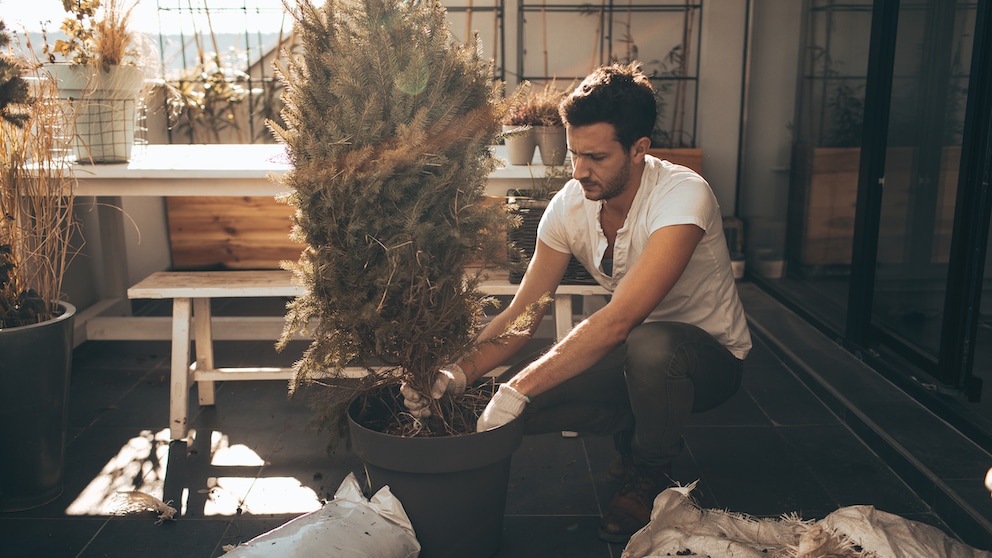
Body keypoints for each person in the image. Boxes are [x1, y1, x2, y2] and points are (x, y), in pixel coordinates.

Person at [402, 61, 752, 542]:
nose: (580, 171)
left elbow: (621, 319)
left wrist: (518, 386)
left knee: (649, 347)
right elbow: (522, 318)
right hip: (629, 355)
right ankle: (636, 429)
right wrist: (456, 374)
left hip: (706, 363)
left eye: (597, 157)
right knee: (512, 406)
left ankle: (649, 472)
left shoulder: (682, 196)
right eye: (573, 154)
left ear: (638, 150)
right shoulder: (569, 205)